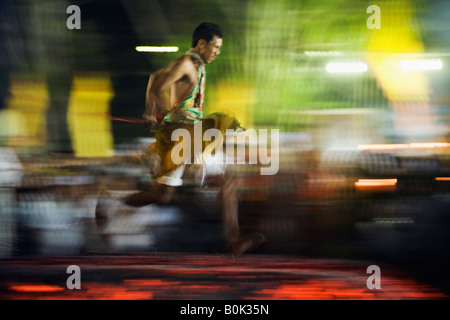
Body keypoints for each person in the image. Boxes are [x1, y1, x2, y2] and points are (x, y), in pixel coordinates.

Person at [103, 22, 263, 257]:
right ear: (201, 44)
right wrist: (157, 113)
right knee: (174, 193)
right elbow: (158, 86)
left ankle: (233, 240)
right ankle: (112, 204)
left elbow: (154, 78)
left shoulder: (193, 65)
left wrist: (151, 112)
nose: (218, 51)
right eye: (215, 46)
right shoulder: (186, 63)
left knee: (181, 191)